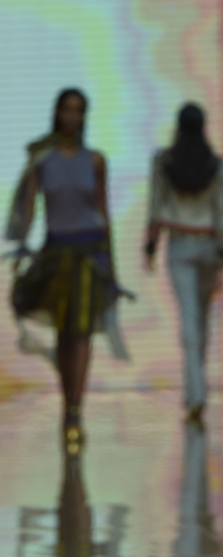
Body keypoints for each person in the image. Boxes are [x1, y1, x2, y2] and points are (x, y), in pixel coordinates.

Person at [8, 88, 120, 454]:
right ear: (57, 112)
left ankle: (75, 411)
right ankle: (67, 404)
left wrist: (112, 266)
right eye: (67, 109)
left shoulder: (96, 161)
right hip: (56, 252)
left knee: (82, 332)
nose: (72, 116)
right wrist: (21, 244)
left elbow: (103, 213)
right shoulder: (42, 158)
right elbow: (28, 206)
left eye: (79, 110)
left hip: (88, 253)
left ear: (84, 116)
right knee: (64, 333)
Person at [145, 103, 223, 423]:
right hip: (209, 247)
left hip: (179, 245)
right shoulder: (214, 164)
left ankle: (195, 393)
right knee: (201, 319)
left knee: (190, 319)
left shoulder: (163, 161)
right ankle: (197, 389)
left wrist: (150, 246)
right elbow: (221, 211)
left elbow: (156, 206)